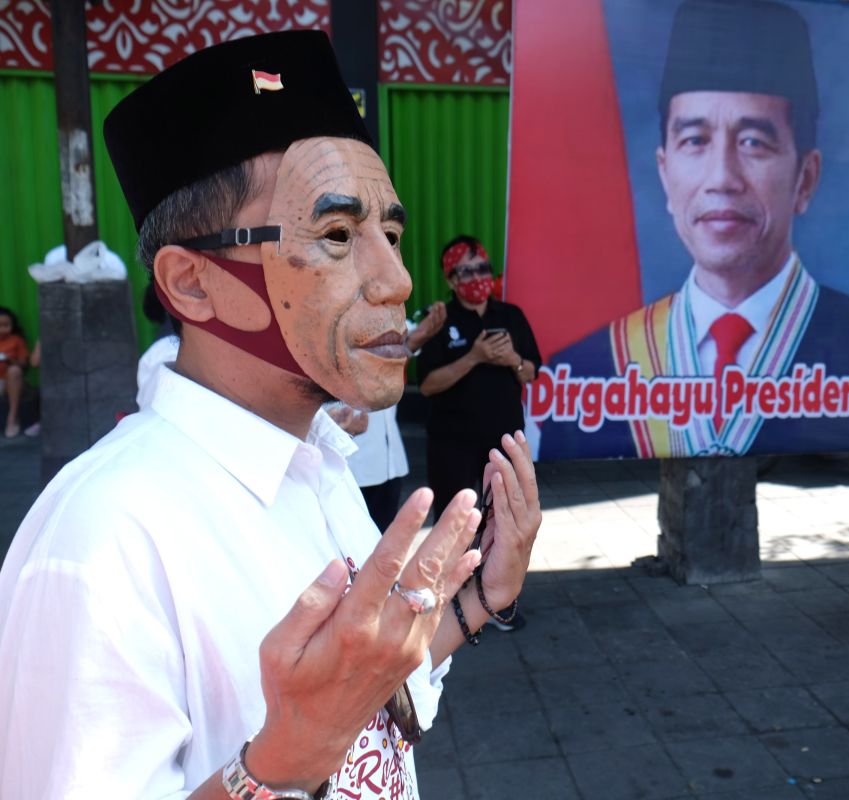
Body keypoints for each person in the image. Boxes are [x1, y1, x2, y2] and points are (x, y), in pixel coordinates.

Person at [0, 31, 541, 798]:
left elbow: (369, 700)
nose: (395, 279)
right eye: (336, 235)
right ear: (192, 284)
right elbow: (315, 732)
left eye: (390, 233)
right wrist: (276, 767)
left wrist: (479, 600)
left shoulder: (317, 464)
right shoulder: (103, 542)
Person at [538, 0, 849, 459]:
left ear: (806, 178)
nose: (721, 176)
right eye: (695, 141)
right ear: (664, 172)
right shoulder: (590, 371)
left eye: (753, 142)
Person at [417, 236, 542, 521]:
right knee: (453, 525)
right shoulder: (440, 320)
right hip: (452, 445)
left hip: (504, 442)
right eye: (467, 271)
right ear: (450, 281)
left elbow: (531, 372)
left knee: (505, 522)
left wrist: (513, 360)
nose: (478, 277)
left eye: (482, 268)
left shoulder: (511, 316)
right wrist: (474, 357)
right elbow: (426, 385)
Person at [336, 302, 447, 531]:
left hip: (390, 461)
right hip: (353, 465)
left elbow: (401, 346)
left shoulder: (390, 319)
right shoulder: (333, 322)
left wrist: (416, 340)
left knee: (381, 544)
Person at [0, 306, 31, 438]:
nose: (2, 329)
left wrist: (9, 360)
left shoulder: (16, 340)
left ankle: (12, 419)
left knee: (14, 371)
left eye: (5, 325)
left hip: (11, 383)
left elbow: (24, 365)